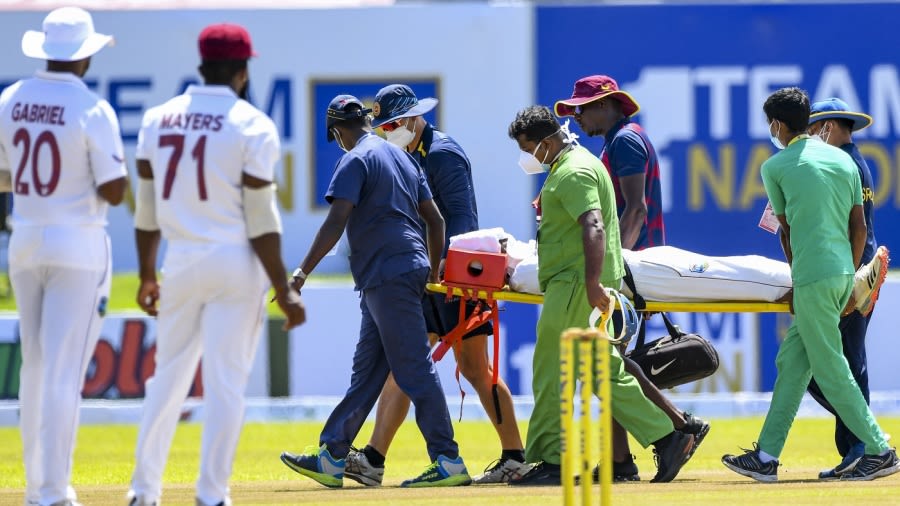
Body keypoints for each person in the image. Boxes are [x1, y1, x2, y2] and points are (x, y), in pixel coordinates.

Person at [126, 23, 306, 506]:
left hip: (180, 259)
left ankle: (144, 491)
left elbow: (145, 209)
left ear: (201, 66)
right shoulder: (252, 124)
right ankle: (211, 495)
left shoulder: (158, 119)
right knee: (227, 384)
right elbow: (260, 218)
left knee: (167, 378)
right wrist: (283, 288)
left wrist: (146, 272)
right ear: (244, 71)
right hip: (235, 259)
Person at [279, 94, 471, 488]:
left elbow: (334, 224)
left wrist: (300, 273)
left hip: (387, 272)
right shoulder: (400, 157)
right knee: (367, 372)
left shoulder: (355, 159)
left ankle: (448, 459)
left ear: (337, 131)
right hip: (400, 270)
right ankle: (333, 455)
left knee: (415, 367)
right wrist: (432, 268)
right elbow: (434, 220)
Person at [340, 84, 528, 486]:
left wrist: (442, 273)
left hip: (454, 279)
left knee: (474, 368)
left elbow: (461, 219)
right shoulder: (406, 153)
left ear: (411, 118)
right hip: (428, 277)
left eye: (391, 124)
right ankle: (373, 458)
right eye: (383, 126)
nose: (387, 132)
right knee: (409, 363)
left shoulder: (442, 153)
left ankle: (514, 456)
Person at [506, 105, 695, 486]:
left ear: (545, 142)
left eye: (528, 148)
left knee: (552, 371)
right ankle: (668, 435)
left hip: (576, 284)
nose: (527, 157)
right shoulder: (579, 163)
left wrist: (592, 283)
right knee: (599, 370)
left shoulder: (573, 171)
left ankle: (553, 459)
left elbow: (593, 225)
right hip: (577, 281)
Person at [722, 87, 899, 482]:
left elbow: (786, 233)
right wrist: (850, 275)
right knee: (793, 363)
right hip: (841, 273)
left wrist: (803, 279)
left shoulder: (775, 167)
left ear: (778, 125)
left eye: (770, 124)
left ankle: (880, 449)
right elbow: (860, 226)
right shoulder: (844, 161)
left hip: (814, 276)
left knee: (831, 367)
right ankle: (766, 456)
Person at [0, 8, 126, 506]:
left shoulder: (10, 99)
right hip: (77, 241)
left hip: (25, 238)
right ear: (84, 53)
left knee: (35, 367)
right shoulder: (92, 107)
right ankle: (51, 491)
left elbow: (3, 176)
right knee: (63, 371)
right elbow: (114, 190)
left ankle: (38, 487)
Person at [555, 74, 708, 480]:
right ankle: (623, 460)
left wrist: (613, 266)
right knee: (611, 361)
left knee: (609, 363)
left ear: (605, 105)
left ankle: (679, 427)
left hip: (630, 265)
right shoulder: (622, 139)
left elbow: (636, 210)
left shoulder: (623, 142)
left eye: (582, 108)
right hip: (631, 263)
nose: (578, 117)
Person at [803, 98, 891, 479]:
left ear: (829, 126)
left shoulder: (845, 165)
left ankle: (865, 447)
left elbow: (853, 231)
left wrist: (852, 286)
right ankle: (860, 447)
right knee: (845, 366)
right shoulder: (855, 162)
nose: (809, 136)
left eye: (812, 129)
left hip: (851, 279)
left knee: (838, 368)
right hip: (857, 276)